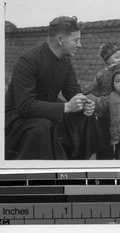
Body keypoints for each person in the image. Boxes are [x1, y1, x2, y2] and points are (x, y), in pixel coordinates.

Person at [5, 16, 96, 160]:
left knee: (84, 116)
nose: (80, 45)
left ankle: (76, 163)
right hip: (17, 117)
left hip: (45, 111)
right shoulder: (28, 61)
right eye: (76, 40)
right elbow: (25, 106)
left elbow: (73, 91)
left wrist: (84, 103)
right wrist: (66, 107)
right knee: (41, 126)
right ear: (60, 40)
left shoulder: (65, 61)